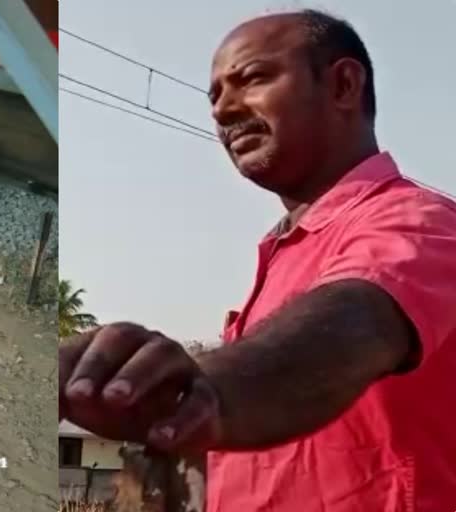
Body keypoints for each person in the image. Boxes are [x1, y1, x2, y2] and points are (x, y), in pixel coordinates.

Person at [59, 9, 456, 511]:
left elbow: (352, 324)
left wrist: (205, 391)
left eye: (252, 78)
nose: (223, 111)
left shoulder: (423, 223)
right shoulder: (281, 251)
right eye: (215, 96)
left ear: (344, 85)